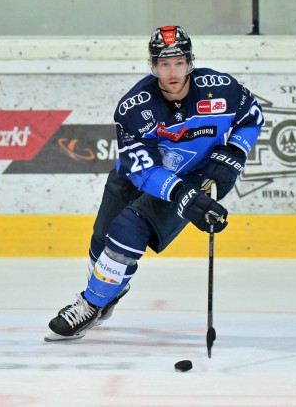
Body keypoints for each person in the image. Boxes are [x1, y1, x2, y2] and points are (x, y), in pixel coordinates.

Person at [44, 25, 264, 342]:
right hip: (136, 173)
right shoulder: (133, 107)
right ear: (153, 66)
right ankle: (108, 291)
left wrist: (233, 154)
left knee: (128, 230)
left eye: (178, 62)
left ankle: (91, 303)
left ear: (190, 62)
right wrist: (181, 195)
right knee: (101, 241)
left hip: (196, 176)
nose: (172, 72)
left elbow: (252, 116)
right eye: (163, 64)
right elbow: (144, 171)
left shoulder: (222, 89)